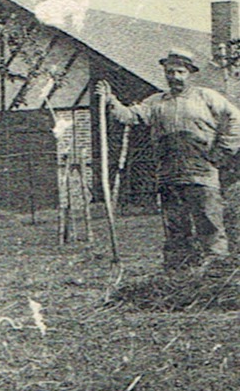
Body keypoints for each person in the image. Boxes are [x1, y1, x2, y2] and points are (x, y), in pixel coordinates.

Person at [96, 48, 240, 271]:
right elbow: (129, 116)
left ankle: (216, 268)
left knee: (208, 219)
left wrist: (223, 150)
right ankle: (178, 269)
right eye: (170, 72)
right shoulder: (156, 102)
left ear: (190, 73)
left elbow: (235, 119)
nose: (174, 77)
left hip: (202, 171)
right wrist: (111, 101)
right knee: (175, 223)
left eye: (180, 72)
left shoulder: (206, 97)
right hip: (169, 173)